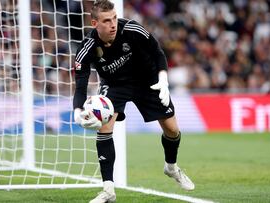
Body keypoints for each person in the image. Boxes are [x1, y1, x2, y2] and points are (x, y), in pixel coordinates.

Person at [73, 0, 195, 202]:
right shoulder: (87, 48)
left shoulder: (131, 28)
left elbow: (157, 52)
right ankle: (108, 189)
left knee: (172, 130)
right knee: (104, 127)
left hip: (147, 80)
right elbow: (80, 86)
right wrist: (78, 113)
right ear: (94, 24)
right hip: (114, 85)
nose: (113, 24)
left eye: (114, 18)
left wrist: (163, 79)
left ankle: (171, 167)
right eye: (106, 20)